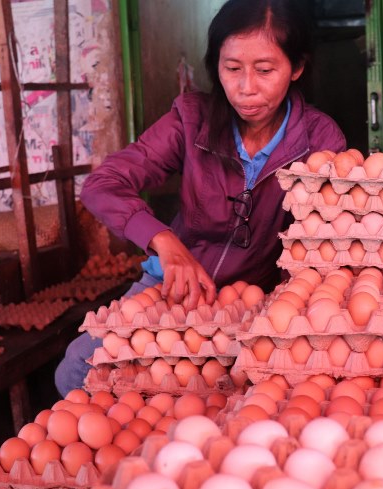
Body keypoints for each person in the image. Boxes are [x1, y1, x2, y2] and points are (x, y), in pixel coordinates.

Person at [55, 0, 346, 396]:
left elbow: (325, 244)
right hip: (172, 287)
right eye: (231, 69)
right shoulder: (191, 119)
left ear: (295, 68)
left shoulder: (320, 139)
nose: (246, 88)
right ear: (216, 66)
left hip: (256, 300)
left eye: (264, 70)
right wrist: (165, 243)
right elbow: (103, 184)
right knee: (76, 372)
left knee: (244, 394)